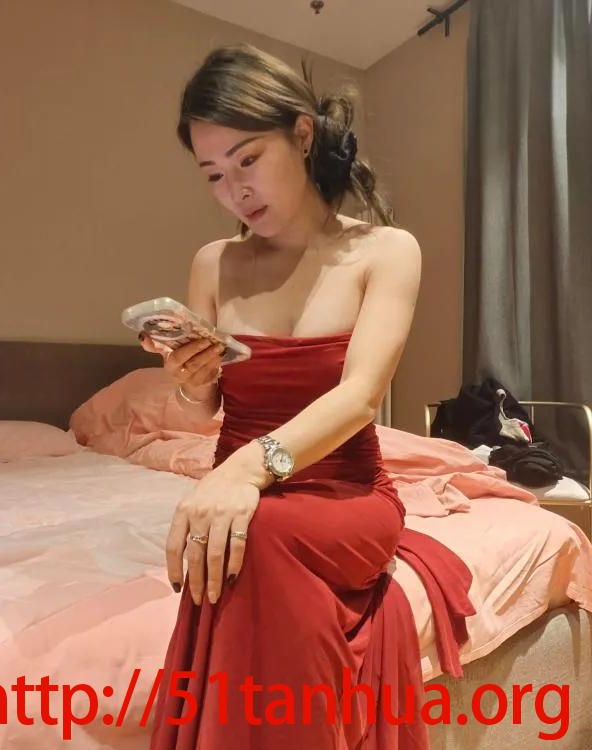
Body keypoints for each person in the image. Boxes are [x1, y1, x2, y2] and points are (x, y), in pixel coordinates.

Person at [142, 43, 475, 750]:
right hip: (245, 491)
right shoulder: (214, 263)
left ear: (300, 134)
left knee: (248, 532)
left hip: (344, 495)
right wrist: (193, 379)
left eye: (248, 159)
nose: (235, 190)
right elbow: (204, 411)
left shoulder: (386, 250)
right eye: (213, 174)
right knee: (239, 535)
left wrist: (241, 472)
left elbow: (360, 398)